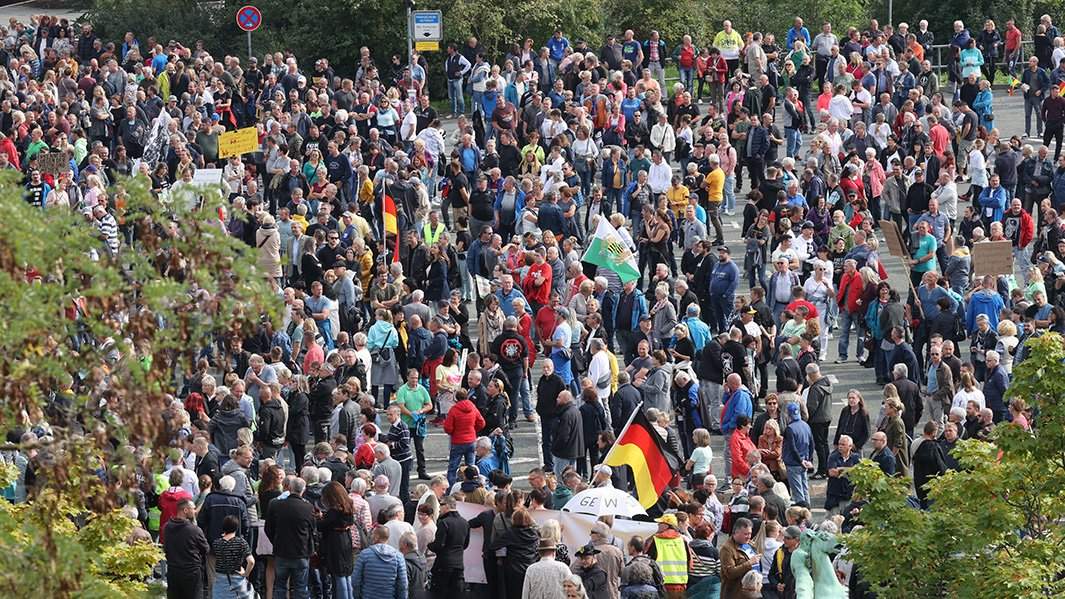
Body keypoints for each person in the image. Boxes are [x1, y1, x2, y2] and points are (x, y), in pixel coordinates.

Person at [265, 477, 316, 599]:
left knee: (280, 586)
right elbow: (312, 530)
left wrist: (276, 540)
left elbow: (268, 528)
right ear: (303, 490)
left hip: (281, 551)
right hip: (301, 552)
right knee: (301, 587)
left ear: (289, 488)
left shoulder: (275, 504)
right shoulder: (308, 507)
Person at [163, 499, 209, 599]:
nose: (195, 511)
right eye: (193, 508)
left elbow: (165, 547)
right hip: (191, 573)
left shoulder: (167, 527)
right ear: (185, 510)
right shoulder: (194, 530)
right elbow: (206, 549)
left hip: (173, 571)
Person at [428, 495, 470, 598]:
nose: (439, 508)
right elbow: (465, 544)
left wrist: (429, 545)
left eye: (441, 505)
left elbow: (439, 545)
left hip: (443, 565)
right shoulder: (464, 523)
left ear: (447, 506)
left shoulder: (444, 523)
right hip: (459, 564)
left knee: (439, 593)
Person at [353, 526, 409, 599]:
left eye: (373, 534)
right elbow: (403, 584)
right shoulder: (398, 557)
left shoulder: (364, 555)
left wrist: (357, 596)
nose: (371, 536)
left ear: (377, 537)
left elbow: (355, 580)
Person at [211, 514, 255, 599]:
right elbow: (251, 561)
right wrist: (246, 574)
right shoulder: (241, 542)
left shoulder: (216, 543)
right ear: (236, 527)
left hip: (220, 580)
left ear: (223, 527)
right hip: (237, 579)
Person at [719, 518, 760, 599]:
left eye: (750, 534)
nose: (748, 537)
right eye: (746, 534)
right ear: (736, 532)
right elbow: (730, 573)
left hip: (752, 592)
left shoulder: (749, 544)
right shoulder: (727, 549)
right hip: (735, 593)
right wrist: (749, 563)